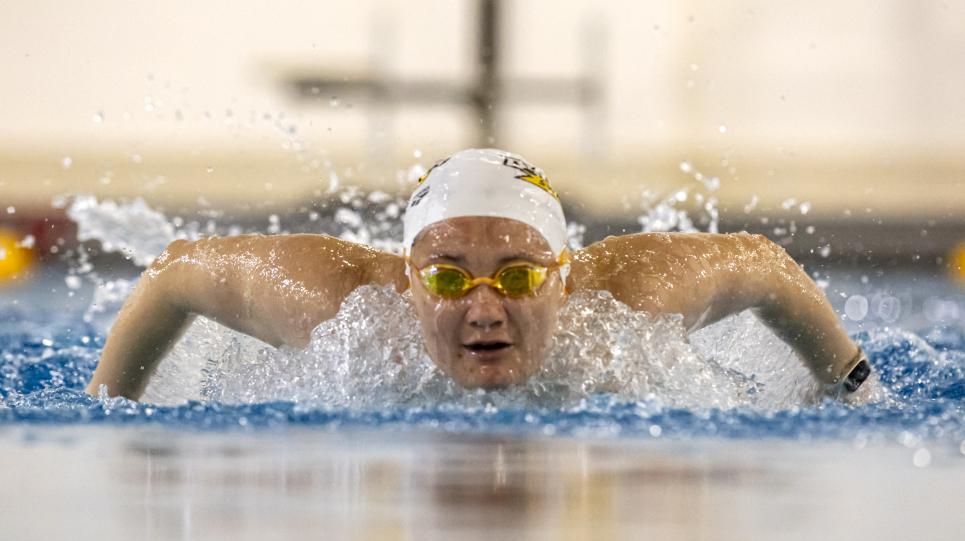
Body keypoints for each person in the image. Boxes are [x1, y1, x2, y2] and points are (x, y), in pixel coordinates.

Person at [86, 148, 871, 401]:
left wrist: (857, 389)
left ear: (563, 278)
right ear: (407, 279)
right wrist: (108, 414)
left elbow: (766, 266)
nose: (486, 309)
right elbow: (174, 272)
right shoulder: (340, 308)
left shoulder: (629, 303)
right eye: (451, 280)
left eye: (520, 278)